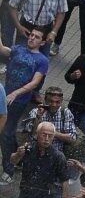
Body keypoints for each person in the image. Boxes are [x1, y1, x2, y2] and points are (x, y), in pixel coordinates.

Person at [0, 27, 48, 184]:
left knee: (6, 133)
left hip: (18, 101)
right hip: (5, 96)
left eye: (37, 37)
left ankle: (9, 169)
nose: (32, 38)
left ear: (42, 42)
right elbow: (3, 49)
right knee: (8, 133)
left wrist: (15, 93)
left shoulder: (42, 60)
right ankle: (19, 157)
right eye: (31, 35)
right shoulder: (18, 49)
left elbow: (34, 83)